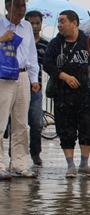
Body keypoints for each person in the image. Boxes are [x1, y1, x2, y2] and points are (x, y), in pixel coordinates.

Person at [43, 10, 90, 178]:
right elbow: (47, 64)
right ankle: (70, 165)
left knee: (87, 128)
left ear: (74, 23)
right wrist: (64, 76)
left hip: (85, 94)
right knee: (66, 130)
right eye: (59, 21)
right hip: (63, 94)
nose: (59, 25)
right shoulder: (55, 44)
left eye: (62, 21)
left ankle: (84, 164)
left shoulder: (88, 41)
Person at [0, 0, 41, 179]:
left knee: (21, 123)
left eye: (23, 5)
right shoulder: (1, 25)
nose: (21, 10)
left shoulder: (26, 27)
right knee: (1, 122)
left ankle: (20, 164)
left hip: (23, 75)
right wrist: (2, 39)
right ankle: (0, 165)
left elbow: (32, 54)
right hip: (3, 76)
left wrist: (34, 79)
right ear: (7, 7)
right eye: (17, 6)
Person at [25, 10, 50, 167]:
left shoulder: (45, 45)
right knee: (17, 124)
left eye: (37, 23)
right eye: (31, 23)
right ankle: (16, 154)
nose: (34, 26)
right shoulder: (21, 41)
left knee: (36, 123)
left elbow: (49, 65)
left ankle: (35, 152)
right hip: (19, 85)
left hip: (36, 89)